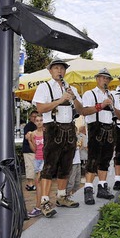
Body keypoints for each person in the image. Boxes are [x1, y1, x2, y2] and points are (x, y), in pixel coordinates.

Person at [32, 58, 83, 217]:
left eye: (62, 68)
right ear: (50, 71)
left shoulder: (71, 88)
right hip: (53, 128)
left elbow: (80, 110)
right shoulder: (44, 87)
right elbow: (40, 108)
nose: (59, 71)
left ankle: (61, 196)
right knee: (49, 166)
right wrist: (61, 100)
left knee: (66, 165)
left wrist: (73, 98)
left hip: (69, 130)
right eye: (56, 68)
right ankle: (45, 202)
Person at [81, 68, 120, 205]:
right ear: (97, 79)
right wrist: (101, 105)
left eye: (107, 79)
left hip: (110, 129)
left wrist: (112, 106)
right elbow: (85, 111)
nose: (105, 80)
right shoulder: (89, 93)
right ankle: (88, 189)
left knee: (106, 158)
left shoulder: (113, 95)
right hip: (95, 128)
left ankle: (102, 187)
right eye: (102, 78)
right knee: (93, 159)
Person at [26, 114, 47, 218]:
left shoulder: (46, 132)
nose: (39, 122)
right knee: (38, 183)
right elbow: (34, 149)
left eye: (41, 120)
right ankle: (42, 204)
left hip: (45, 159)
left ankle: (39, 206)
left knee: (39, 181)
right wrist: (30, 140)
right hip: (37, 159)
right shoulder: (33, 134)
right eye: (37, 120)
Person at [22, 111, 39, 191]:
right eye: (33, 116)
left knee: (36, 167)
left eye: (37, 116)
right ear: (30, 117)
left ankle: (34, 183)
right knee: (30, 167)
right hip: (28, 149)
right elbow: (27, 136)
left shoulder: (38, 126)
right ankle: (30, 184)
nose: (35, 118)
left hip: (37, 150)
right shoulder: (28, 126)